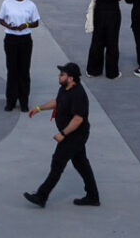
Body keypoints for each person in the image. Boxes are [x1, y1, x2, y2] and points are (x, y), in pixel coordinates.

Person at [22, 63, 99, 208]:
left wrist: (63, 133)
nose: (59, 76)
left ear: (71, 78)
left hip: (75, 135)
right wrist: (39, 108)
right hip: (72, 135)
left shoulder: (78, 95)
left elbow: (78, 119)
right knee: (81, 164)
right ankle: (93, 196)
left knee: (57, 163)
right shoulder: (64, 88)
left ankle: (41, 196)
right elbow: (57, 102)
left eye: (62, 74)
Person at [0, 0, 40, 112]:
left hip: (25, 40)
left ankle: (23, 101)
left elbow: (36, 22)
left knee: (24, 71)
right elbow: (1, 19)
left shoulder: (30, 5)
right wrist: (8, 26)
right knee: (12, 70)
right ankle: (10, 100)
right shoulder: (6, 3)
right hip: (11, 39)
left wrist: (26, 25)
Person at [86, 0, 124, 80]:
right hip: (113, 13)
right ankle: (112, 72)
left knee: (97, 41)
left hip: (100, 13)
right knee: (112, 43)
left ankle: (93, 70)